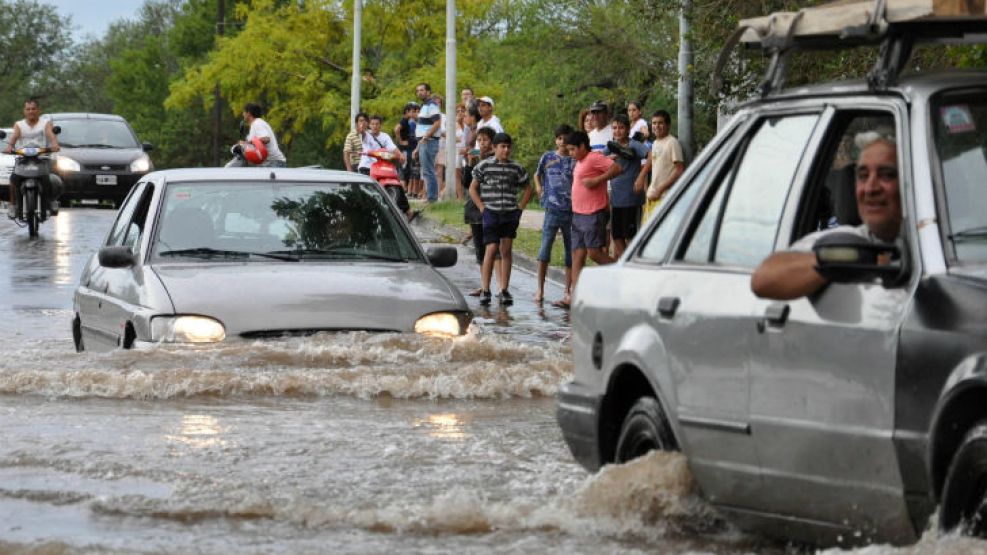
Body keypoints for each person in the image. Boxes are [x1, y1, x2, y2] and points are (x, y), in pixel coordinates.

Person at [751, 134, 901, 300]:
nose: (870, 188)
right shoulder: (849, 240)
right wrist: (846, 257)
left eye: (887, 175)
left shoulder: (933, 246)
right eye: (863, 176)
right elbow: (764, 278)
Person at [469, 132, 532, 307]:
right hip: (491, 213)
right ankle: (485, 289)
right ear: (494, 148)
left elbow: (528, 189)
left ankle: (504, 289)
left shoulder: (516, 168)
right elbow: (473, 188)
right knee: (491, 248)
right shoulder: (484, 166)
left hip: (510, 213)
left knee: (506, 250)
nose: (506, 150)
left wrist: (520, 208)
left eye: (508, 147)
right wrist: (482, 207)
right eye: (502, 147)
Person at [566, 131, 622, 302]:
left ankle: (622, 273)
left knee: (594, 253)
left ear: (583, 146)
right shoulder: (580, 161)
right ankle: (575, 295)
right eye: (568, 150)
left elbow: (617, 168)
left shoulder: (593, 157)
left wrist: (598, 180)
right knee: (577, 254)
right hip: (578, 214)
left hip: (592, 214)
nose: (571, 153)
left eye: (573, 149)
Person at [534, 124, 576, 306]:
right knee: (544, 250)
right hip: (551, 209)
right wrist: (539, 186)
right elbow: (537, 174)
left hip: (571, 211)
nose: (562, 143)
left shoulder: (575, 160)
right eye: (559, 139)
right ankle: (540, 289)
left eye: (566, 140)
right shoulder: (548, 157)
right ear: (556, 140)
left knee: (570, 252)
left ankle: (568, 289)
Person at [5, 98, 61, 218]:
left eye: (33, 109)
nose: (31, 111)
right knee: (14, 178)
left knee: (50, 178)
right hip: (23, 158)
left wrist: (55, 144)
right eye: (28, 109)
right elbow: (13, 138)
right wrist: (10, 146)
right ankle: (13, 205)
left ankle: (51, 202)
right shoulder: (19, 125)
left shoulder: (45, 123)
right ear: (24, 111)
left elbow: (51, 135)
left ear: (38, 110)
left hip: (42, 157)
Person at [605, 114, 649, 258]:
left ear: (628, 129)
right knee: (616, 235)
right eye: (615, 128)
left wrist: (641, 177)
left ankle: (634, 263)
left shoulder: (634, 144)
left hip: (631, 197)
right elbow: (597, 158)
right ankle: (625, 262)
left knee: (631, 235)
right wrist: (609, 158)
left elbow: (651, 156)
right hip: (616, 198)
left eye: (621, 128)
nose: (617, 131)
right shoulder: (611, 146)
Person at [463, 127, 500, 295]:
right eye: (479, 140)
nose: (482, 143)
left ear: (493, 142)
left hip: (491, 208)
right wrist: (469, 163)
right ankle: (484, 285)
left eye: (485, 140)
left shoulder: (496, 159)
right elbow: (466, 183)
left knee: (494, 248)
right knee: (480, 250)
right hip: (475, 210)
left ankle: (500, 285)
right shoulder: (476, 159)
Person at [637, 110, 684, 221]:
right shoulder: (655, 143)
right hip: (652, 198)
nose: (656, 126)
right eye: (654, 123)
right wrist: (642, 177)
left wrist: (660, 190)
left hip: (665, 198)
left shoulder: (672, 142)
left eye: (660, 123)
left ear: (668, 125)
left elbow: (679, 170)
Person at [230, 103, 286, 167]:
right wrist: (244, 145)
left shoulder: (257, 123)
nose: (243, 114)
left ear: (249, 113)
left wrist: (247, 142)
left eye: (244, 112)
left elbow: (266, 139)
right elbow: (255, 147)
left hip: (275, 163)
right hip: (268, 163)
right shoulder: (255, 124)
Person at [414, 83, 442, 203]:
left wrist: (426, 136)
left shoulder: (432, 104)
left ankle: (432, 198)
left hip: (429, 141)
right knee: (426, 170)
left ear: (428, 92)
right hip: (424, 142)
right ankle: (430, 197)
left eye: (422, 90)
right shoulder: (424, 105)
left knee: (428, 170)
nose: (420, 92)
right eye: (418, 90)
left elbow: (437, 123)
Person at [395, 103, 419, 192]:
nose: (414, 114)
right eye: (412, 112)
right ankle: (402, 188)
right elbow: (396, 129)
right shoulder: (404, 120)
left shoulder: (408, 121)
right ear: (407, 112)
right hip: (403, 148)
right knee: (403, 166)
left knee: (406, 166)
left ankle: (404, 187)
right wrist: (400, 141)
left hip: (407, 147)